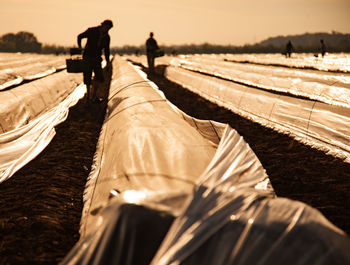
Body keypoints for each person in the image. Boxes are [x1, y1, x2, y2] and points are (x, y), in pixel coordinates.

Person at [77, 19, 113, 102]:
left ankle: (94, 95)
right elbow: (79, 36)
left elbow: (107, 50)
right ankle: (88, 95)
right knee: (87, 75)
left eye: (109, 29)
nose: (107, 30)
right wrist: (80, 47)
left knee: (98, 76)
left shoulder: (107, 37)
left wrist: (108, 62)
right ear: (103, 25)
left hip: (97, 58)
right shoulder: (92, 31)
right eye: (107, 28)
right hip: (88, 56)